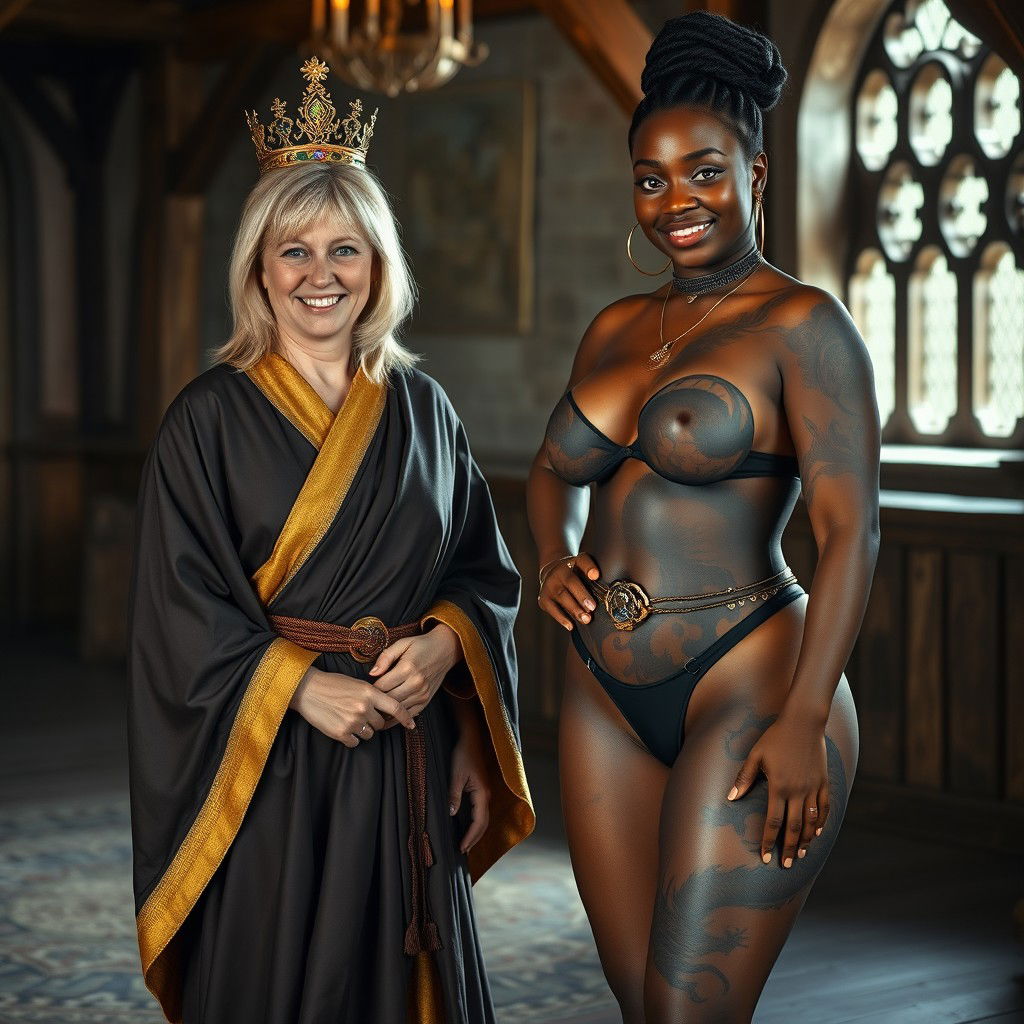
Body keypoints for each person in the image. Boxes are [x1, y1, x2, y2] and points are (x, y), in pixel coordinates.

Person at [128, 58, 533, 1024]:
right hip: (272, 764)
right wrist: (299, 688)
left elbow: (480, 567)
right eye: (294, 251)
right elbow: (177, 610)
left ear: (379, 268)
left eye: (345, 250)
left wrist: (448, 660)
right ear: (258, 270)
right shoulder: (207, 419)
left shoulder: (427, 410)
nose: (321, 276)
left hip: (408, 746)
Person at [527, 12, 878, 1022]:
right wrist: (551, 556)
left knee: (693, 1012)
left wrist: (806, 716)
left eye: (703, 171)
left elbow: (852, 530)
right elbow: (555, 470)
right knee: (643, 1003)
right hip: (604, 689)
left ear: (755, 176)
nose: (674, 199)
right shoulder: (613, 327)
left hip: (753, 679)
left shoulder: (803, 325)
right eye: (650, 177)